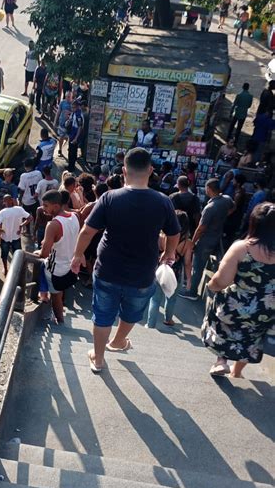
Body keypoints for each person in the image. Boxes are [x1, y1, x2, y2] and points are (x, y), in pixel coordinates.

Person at [71, 148, 180, 372]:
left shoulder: (110, 198)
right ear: (150, 170)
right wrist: (169, 252)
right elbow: (174, 232)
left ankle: (98, 359)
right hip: (142, 273)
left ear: (124, 171)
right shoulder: (163, 201)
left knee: (102, 315)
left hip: (108, 269)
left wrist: (77, 255)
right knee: (131, 312)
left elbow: (87, 231)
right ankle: (119, 341)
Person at [202, 202, 275, 378]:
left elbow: (222, 280)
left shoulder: (242, 247)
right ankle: (237, 371)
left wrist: (210, 287)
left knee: (220, 317)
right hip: (266, 310)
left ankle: (221, 361)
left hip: (236, 305)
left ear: (254, 223)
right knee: (251, 337)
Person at [179, 178, 234, 300]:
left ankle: (192, 292)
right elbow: (233, 207)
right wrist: (223, 216)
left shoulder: (210, 207)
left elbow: (201, 228)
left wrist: (192, 243)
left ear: (208, 189)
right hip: (218, 236)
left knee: (197, 267)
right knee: (216, 262)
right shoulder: (226, 199)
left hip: (206, 240)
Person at [36, 191, 80, 324]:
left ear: (55, 206)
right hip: (71, 268)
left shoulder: (53, 225)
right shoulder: (75, 216)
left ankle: (59, 320)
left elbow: (44, 253)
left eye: (45, 206)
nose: (43, 209)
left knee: (55, 296)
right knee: (59, 293)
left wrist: (40, 249)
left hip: (56, 270)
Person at [146, 210, 193, 328]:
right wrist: (189, 280)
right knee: (171, 298)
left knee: (155, 300)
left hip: (159, 270)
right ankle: (168, 319)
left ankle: (150, 324)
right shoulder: (188, 243)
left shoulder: (161, 236)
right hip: (175, 274)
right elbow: (187, 263)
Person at [0, 195, 30, 275]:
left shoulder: (2, 212)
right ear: (12, 200)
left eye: (4, 201)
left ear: (4, 202)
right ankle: (16, 269)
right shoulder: (19, 210)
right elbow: (30, 218)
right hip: (16, 236)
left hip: (5, 237)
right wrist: (21, 225)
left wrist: (1, 230)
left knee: (4, 255)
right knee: (17, 253)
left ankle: (6, 269)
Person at [18, 159, 42, 226]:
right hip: (36, 199)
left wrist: (20, 200)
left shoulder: (23, 176)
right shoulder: (38, 173)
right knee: (35, 216)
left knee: (27, 217)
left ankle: (27, 231)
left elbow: (22, 190)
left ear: (25, 166)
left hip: (26, 201)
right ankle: (35, 229)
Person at [65, 99, 84, 171]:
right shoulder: (74, 113)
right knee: (71, 150)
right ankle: (71, 164)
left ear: (77, 107)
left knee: (72, 152)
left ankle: (71, 167)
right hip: (72, 133)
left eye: (73, 107)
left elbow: (80, 127)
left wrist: (76, 138)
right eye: (72, 107)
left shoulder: (78, 115)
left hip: (75, 135)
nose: (72, 109)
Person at [54, 91, 73, 157]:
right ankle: (60, 150)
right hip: (62, 123)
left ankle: (68, 148)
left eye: (70, 97)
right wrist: (55, 121)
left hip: (69, 125)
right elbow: (58, 112)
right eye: (67, 97)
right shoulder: (62, 103)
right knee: (61, 137)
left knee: (68, 138)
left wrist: (70, 113)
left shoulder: (73, 104)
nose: (68, 98)